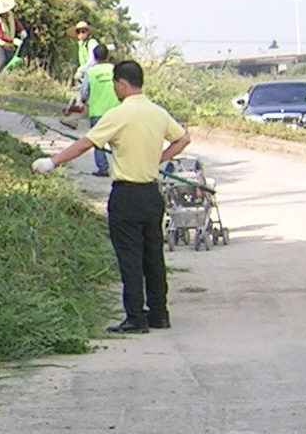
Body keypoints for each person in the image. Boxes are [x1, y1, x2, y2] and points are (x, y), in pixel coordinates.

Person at [31, 59, 189, 334]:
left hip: (127, 195)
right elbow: (183, 139)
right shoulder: (158, 112)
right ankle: (159, 313)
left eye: (116, 85)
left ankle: (135, 317)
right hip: (152, 194)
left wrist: (53, 162)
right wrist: (158, 159)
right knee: (153, 255)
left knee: (130, 257)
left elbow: (85, 144)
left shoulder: (119, 114)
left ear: (121, 84)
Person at [79, 44, 118, 176]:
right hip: (115, 111)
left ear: (94, 57)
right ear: (107, 56)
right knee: (117, 141)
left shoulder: (90, 72)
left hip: (97, 111)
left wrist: (84, 102)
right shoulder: (115, 70)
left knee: (98, 141)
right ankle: (122, 167)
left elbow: (84, 92)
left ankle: (103, 168)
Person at [0, 0, 22, 75]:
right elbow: (0, 35)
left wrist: (22, 30)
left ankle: (5, 79)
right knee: (2, 60)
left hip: (9, 45)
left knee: (10, 62)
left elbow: (16, 23)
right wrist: (13, 40)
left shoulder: (10, 14)